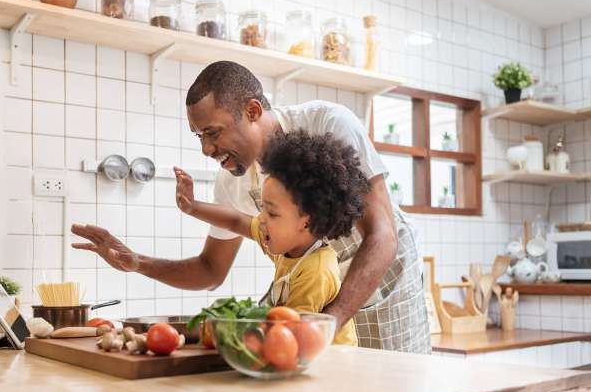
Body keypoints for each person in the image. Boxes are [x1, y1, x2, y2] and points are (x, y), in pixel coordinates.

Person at [72, 61, 431, 353]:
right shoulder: (232, 179)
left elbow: (382, 233)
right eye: (199, 137)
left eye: (213, 132)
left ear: (253, 110)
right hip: (316, 303)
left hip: (383, 284)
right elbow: (211, 269)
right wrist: (136, 262)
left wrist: (332, 320)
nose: (206, 150)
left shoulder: (328, 124)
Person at [175, 130, 370, 346]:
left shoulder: (317, 270)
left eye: (272, 213)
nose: (262, 219)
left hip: (332, 365)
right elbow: (235, 221)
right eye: (263, 209)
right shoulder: (286, 241)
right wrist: (193, 207)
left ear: (305, 222)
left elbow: (291, 335)